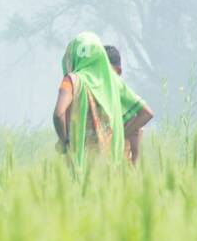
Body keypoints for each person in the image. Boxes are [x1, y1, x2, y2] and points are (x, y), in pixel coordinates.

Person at [52, 32, 153, 167]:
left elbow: (59, 114)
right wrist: (118, 135)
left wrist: (64, 142)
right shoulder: (113, 82)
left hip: (80, 162)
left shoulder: (72, 81)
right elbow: (146, 113)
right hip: (110, 164)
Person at [104, 44, 154, 163]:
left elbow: (146, 115)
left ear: (118, 71)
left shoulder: (128, 99)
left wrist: (120, 137)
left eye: (106, 71)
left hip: (121, 163)